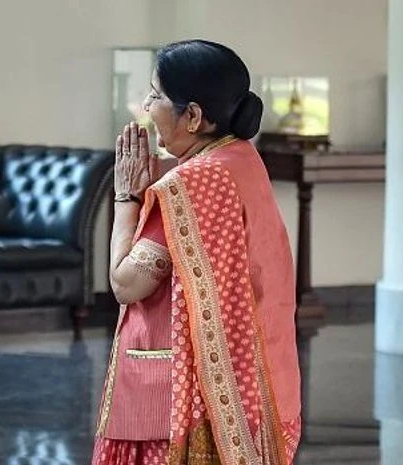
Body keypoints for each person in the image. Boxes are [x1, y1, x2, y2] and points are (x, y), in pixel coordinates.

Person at [92, 40, 301, 465]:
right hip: (259, 387)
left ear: (193, 116)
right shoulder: (242, 160)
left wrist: (125, 200)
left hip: (184, 402)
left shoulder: (192, 183)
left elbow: (126, 283)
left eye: (154, 95)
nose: (146, 106)